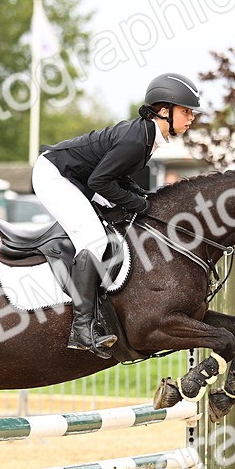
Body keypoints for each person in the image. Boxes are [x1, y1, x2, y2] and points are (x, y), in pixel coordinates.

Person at [33, 71, 200, 357]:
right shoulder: (137, 140)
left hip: (79, 179)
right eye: (186, 111)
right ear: (163, 111)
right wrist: (139, 205)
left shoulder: (146, 137)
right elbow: (100, 182)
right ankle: (82, 328)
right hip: (55, 176)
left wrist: (143, 199)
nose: (191, 117)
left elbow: (119, 178)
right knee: (94, 240)